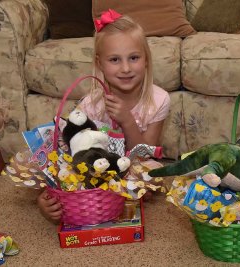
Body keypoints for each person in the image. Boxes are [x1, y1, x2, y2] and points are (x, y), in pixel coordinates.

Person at [37, 9, 170, 223]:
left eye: (134, 58)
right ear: (100, 64)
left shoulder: (159, 99)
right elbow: (72, 153)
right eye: (115, 59)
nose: (126, 68)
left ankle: (111, 195)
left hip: (131, 165)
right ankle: (54, 200)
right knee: (63, 171)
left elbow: (145, 155)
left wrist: (128, 121)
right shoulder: (91, 105)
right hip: (96, 169)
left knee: (154, 172)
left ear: (146, 60)